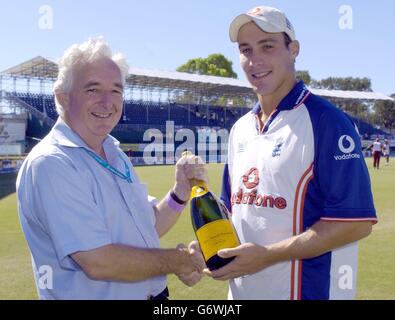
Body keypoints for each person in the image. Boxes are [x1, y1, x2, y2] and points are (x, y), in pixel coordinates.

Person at [204, 6, 377, 300]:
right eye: (246, 49)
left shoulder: (327, 122)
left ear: (293, 50)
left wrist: (267, 255)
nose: (255, 60)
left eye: (267, 46)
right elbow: (232, 208)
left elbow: (356, 223)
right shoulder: (240, 129)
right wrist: (207, 243)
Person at [16, 37, 207, 300]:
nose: (108, 101)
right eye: (93, 89)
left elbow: (147, 225)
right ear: (64, 98)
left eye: (116, 90)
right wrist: (180, 261)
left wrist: (180, 193)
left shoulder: (114, 152)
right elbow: (98, 261)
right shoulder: (51, 163)